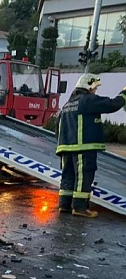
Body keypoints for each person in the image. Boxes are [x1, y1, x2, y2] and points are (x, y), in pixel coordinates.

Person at [56, 73, 126, 218]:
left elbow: (58, 126)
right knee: (83, 175)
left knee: (68, 175)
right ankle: (80, 208)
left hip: (65, 147)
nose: (95, 91)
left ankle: (64, 205)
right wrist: (124, 93)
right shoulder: (87, 100)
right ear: (88, 86)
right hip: (83, 147)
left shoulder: (67, 104)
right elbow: (113, 104)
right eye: (94, 87)